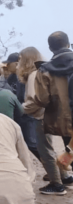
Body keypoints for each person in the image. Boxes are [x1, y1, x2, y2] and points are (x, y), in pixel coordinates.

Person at [34, 31, 73, 193]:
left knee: (68, 153)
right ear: (68, 44)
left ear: (50, 48)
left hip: (63, 120)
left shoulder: (43, 70)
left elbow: (42, 99)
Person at [15, 47, 42, 161]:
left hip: (34, 116)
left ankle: (61, 173)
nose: (18, 63)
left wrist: (20, 108)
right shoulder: (33, 75)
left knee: (35, 145)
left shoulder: (33, 76)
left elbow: (33, 100)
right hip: (34, 115)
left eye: (20, 59)